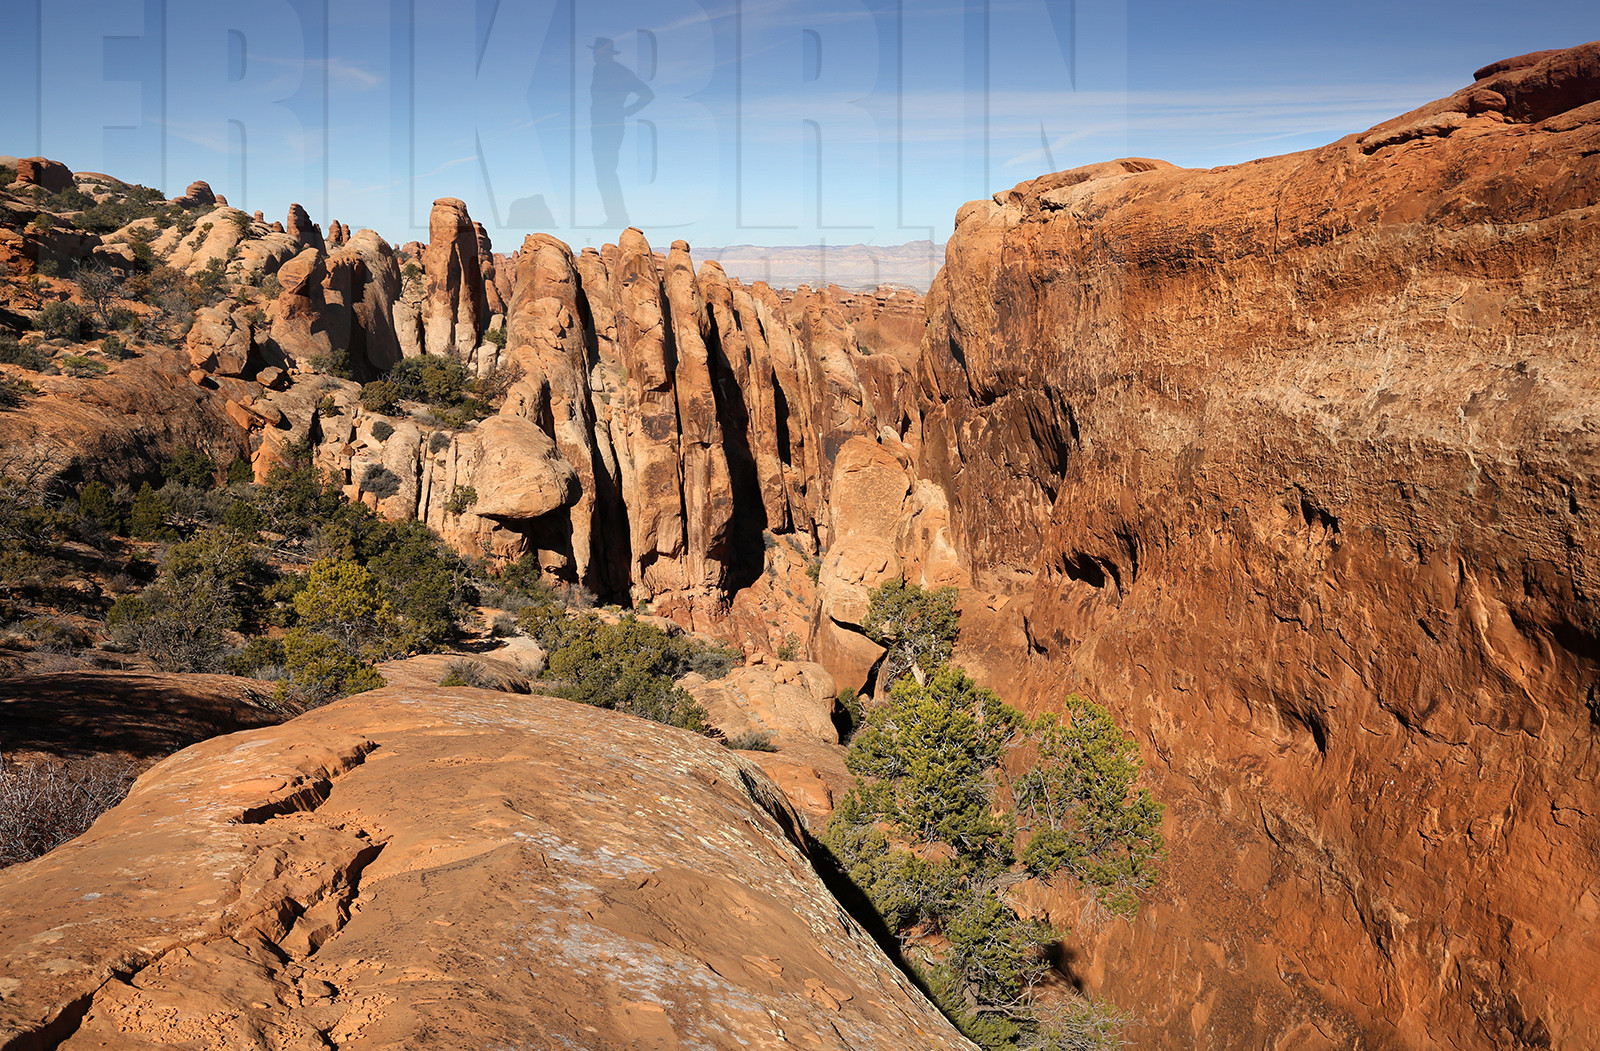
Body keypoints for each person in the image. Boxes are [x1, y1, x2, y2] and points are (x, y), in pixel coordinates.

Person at [588, 37, 654, 228]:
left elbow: (647, 94)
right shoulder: (598, 70)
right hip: (598, 126)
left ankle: (618, 218)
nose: (594, 55)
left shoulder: (620, 72)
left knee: (606, 171)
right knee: (602, 172)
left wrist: (626, 111)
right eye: (594, 52)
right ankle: (614, 216)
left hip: (611, 127)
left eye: (598, 52)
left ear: (607, 53)